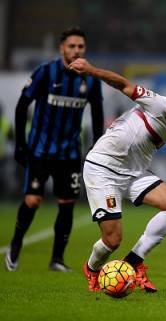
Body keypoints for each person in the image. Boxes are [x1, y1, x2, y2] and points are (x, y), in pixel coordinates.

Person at [68, 58, 166, 293]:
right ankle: (92, 269)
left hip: (132, 173)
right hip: (103, 168)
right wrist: (90, 69)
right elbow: (123, 84)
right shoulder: (161, 105)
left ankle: (133, 262)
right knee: (113, 240)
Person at [5, 27, 104, 272]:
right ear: (62, 48)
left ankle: (57, 259)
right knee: (33, 200)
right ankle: (16, 244)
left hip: (69, 152)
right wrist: (20, 144)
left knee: (67, 202)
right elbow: (21, 106)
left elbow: (97, 111)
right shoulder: (46, 72)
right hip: (40, 150)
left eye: (80, 46)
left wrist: (97, 144)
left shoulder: (90, 78)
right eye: (72, 46)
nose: (76, 50)